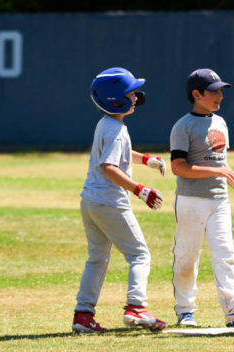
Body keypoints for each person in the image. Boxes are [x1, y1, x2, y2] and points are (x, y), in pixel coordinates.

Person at [72, 67, 168, 333]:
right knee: (140, 254)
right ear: (116, 99)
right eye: (131, 92)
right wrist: (140, 189)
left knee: (97, 259)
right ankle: (136, 308)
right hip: (109, 202)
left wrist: (146, 159)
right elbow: (109, 167)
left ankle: (83, 316)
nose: (136, 97)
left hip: (90, 201)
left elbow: (120, 154)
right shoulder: (115, 128)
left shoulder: (108, 124)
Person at [169, 68, 234, 328]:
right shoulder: (182, 126)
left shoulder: (220, 122)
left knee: (225, 253)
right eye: (214, 91)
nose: (220, 96)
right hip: (191, 200)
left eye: (221, 90)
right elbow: (178, 167)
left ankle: (233, 308)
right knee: (187, 256)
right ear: (196, 95)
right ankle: (185, 311)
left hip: (219, 200)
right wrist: (217, 171)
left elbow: (223, 162)